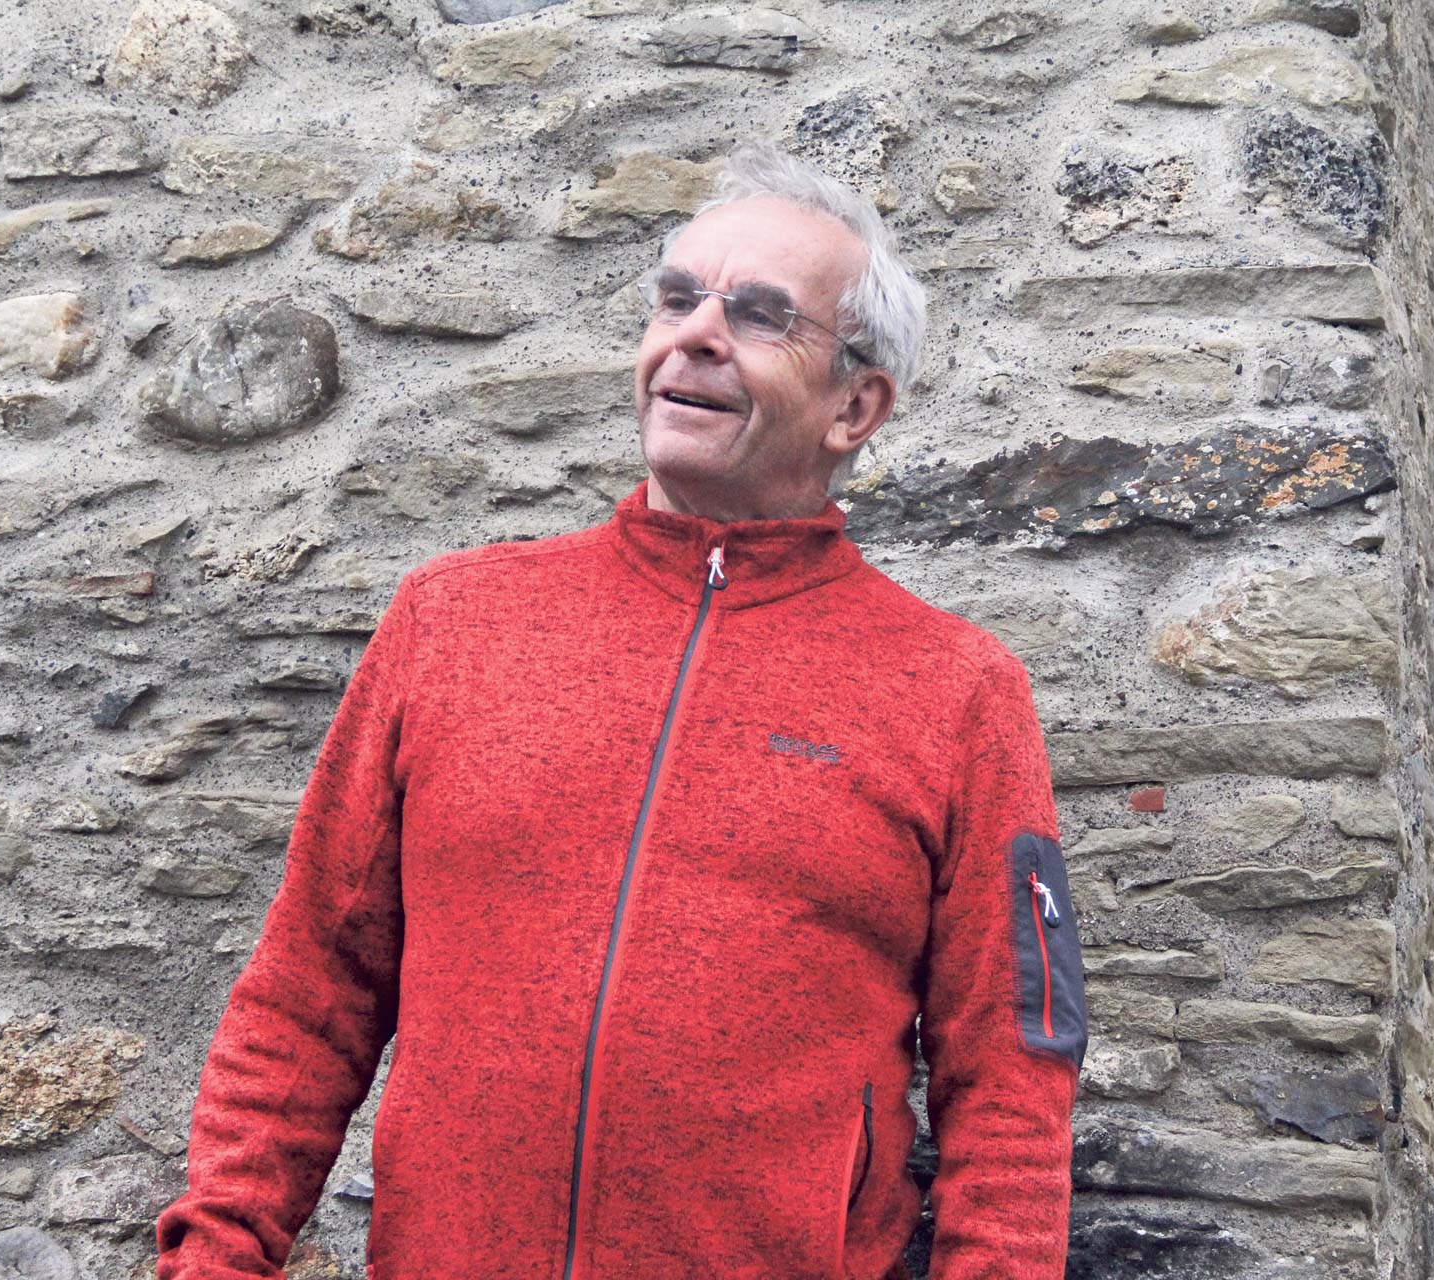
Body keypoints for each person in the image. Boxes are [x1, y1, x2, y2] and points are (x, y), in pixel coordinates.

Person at [153, 140, 1088, 1280]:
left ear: (855, 405)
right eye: (678, 299)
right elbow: (309, 990)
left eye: (759, 315)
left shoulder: (956, 689)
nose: (695, 334)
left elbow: (1010, 1081)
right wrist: (215, 1257)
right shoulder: (454, 620)